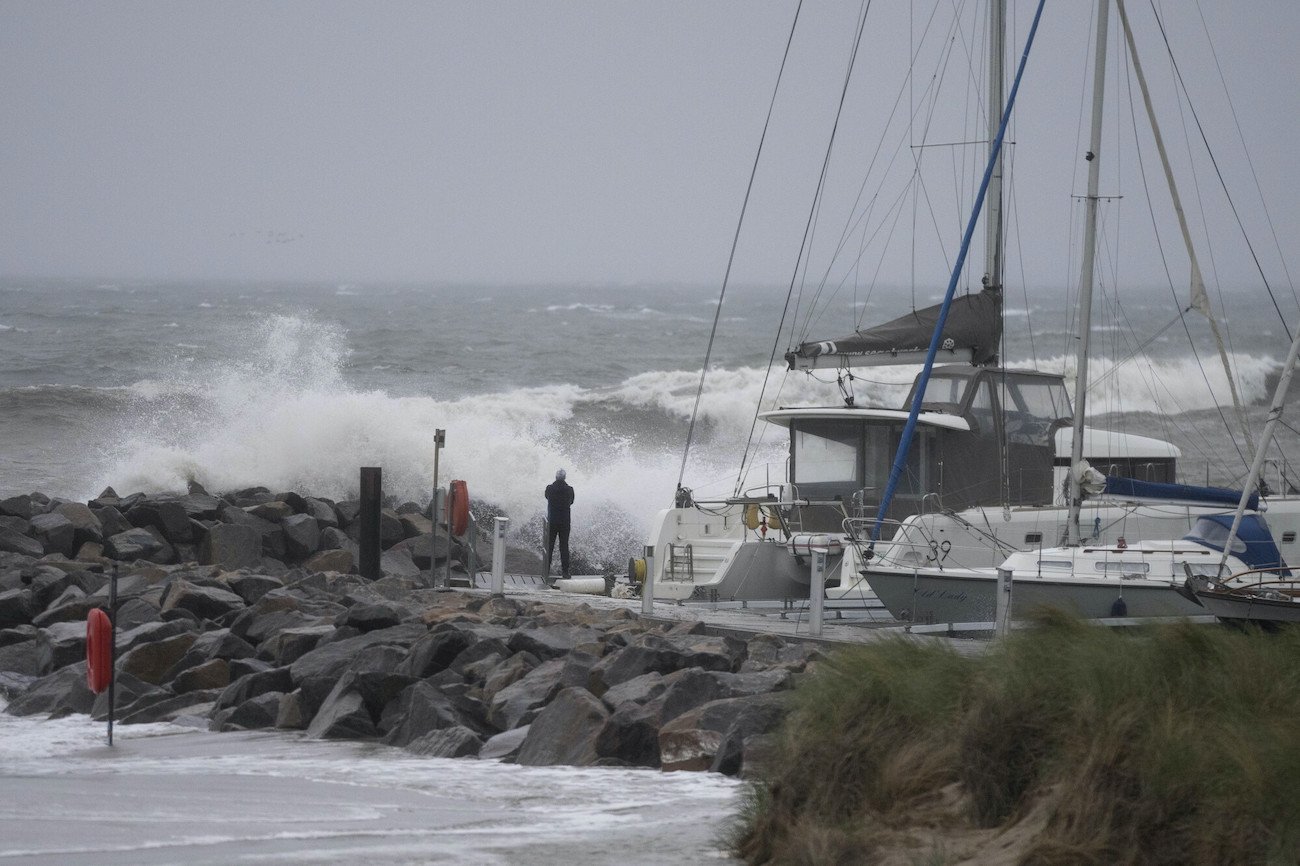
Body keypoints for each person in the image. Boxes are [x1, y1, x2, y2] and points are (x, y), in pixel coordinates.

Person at [544, 468, 575, 584]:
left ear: (556, 477)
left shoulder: (549, 489)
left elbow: (547, 497)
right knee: (564, 547)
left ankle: (546, 570)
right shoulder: (569, 490)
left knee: (550, 546)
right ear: (565, 477)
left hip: (552, 521)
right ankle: (565, 572)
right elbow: (571, 501)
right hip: (565, 522)